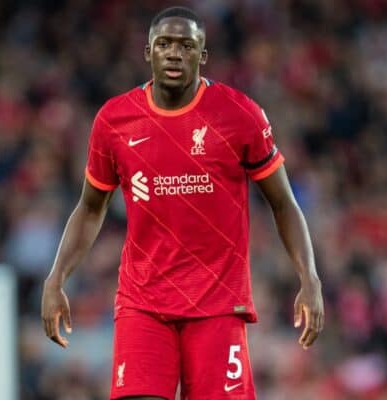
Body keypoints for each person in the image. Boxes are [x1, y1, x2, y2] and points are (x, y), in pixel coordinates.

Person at [41, 6, 324, 399]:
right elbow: (90, 207)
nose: (174, 53)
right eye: (165, 44)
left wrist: (308, 276)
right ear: (148, 52)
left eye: (186, 45)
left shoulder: (239, 115)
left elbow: (283, 203)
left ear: (202, 55)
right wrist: (57, 277)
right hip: (143, 303)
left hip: (218, 306)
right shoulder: (115, 121)